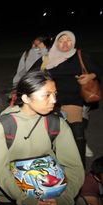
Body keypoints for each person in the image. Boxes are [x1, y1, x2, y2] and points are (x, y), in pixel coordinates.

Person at [0, 71, 85, 205]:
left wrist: (64, 198)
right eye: (46, 95)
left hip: (49, 196)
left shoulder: (57, 124)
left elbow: (74, 166)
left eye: (54, 94)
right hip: (8, 196)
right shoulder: (4, 126)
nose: (53, 100)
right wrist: (26, 199)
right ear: (25, 97)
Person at [45, 30, 102, 165]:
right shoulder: (47, 58)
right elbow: (31, 73)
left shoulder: (81, 55)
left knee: (77, 134)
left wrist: (90, 76)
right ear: (56, 42)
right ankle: (55, 165)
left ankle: (79, 168)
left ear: (73, 41)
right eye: (61, 40)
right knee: (52, 135)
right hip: (51, 101)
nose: (65, 43)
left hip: (73, 100)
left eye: (68, 40)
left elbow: (99, 70)